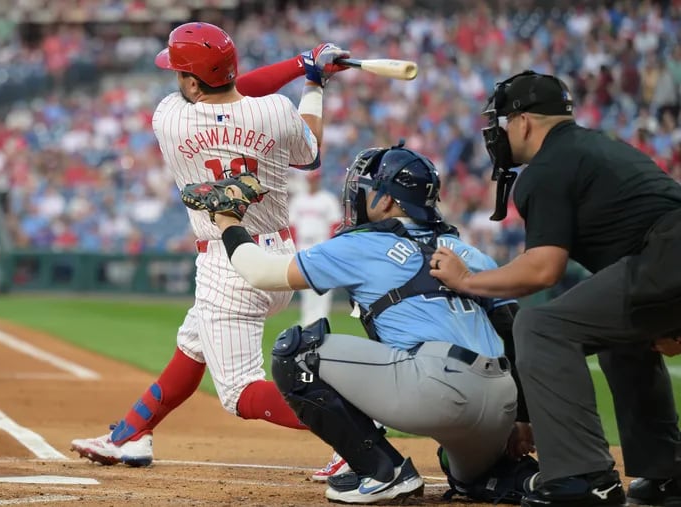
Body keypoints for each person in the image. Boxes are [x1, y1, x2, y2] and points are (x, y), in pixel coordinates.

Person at [189, 142, 538, 505]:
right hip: (500, 403)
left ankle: (382, 471)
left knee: (296, 353)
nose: (358, 196)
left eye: (367, 190)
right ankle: (519, 478)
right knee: (470, 477)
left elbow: (260, 272)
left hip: (436, 390)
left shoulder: (364, 244)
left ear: (387, 201)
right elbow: (512, 331)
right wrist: (523, 417)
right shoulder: (468, 251)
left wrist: (228, 221)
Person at [70, 22, 350, 466]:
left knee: (239, 391)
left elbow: (230, 89)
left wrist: (300, 64)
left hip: (227, 261)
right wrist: (312, 79)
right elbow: (309, 154)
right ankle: (130, 435)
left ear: (193, 83)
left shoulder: (170, 117)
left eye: (181, 73)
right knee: (192, 345)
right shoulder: (276, 111)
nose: (175, 79)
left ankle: (353, 436)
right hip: (279, 258)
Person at [430, 70, 681, 507]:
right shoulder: (596, 146)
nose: (498, 134)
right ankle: (669, 474)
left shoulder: (546, 167)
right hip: (665, 259)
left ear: (523, 121)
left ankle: (583, 478)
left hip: (666, 258)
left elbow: (542, 270)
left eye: (502, 123)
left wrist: (467, 280)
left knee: (540, 326)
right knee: (620, 341)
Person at [288, 170, 342, 326]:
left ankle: (322, 319)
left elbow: (335, 224)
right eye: (311, 179)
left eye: (315, 179)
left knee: (323, 284)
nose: (313, 182)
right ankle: (307, 320)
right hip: (303, 244)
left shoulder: (328, 199)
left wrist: (330, 246)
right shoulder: (299, 200)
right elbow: (292, 225)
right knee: (305, 284)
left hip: (321, 244)